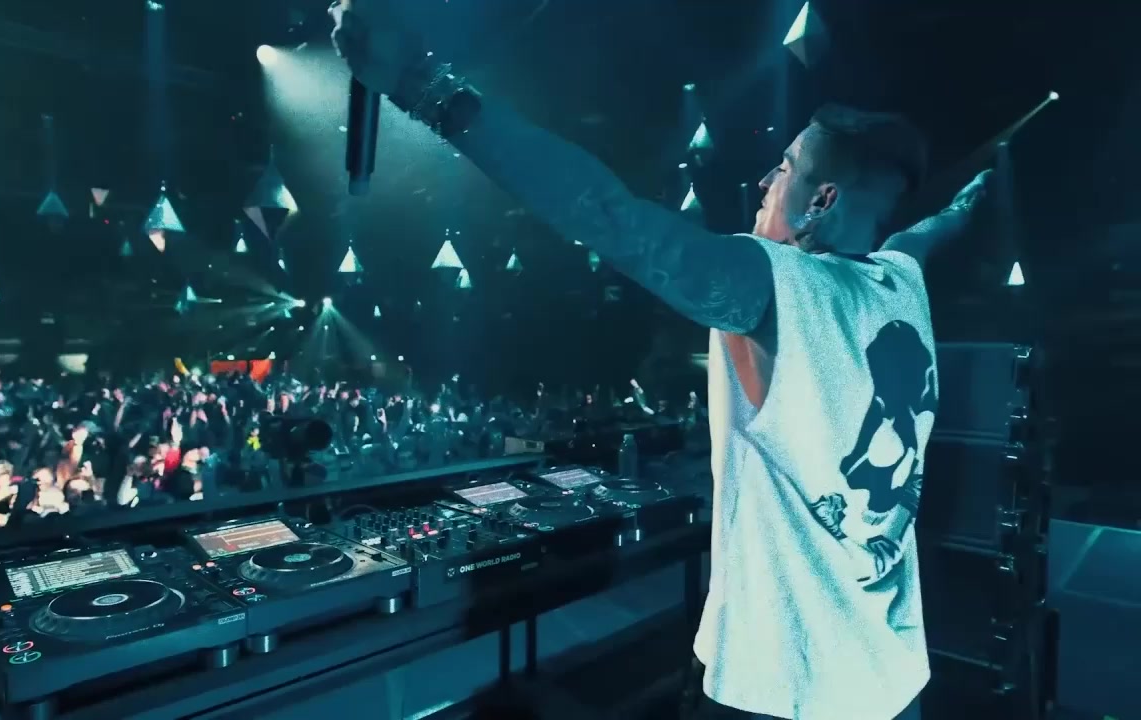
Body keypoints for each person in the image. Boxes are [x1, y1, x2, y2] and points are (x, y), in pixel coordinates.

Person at [329, 3, 989, 718]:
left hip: (789, 692)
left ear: (820, 202)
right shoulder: (900, 280)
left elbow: (607, 214)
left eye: (785, 169)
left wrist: (421, 84)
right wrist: (977, 196)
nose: (765, 181)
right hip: (890, 678)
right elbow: (933, 230)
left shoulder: (773, 285)